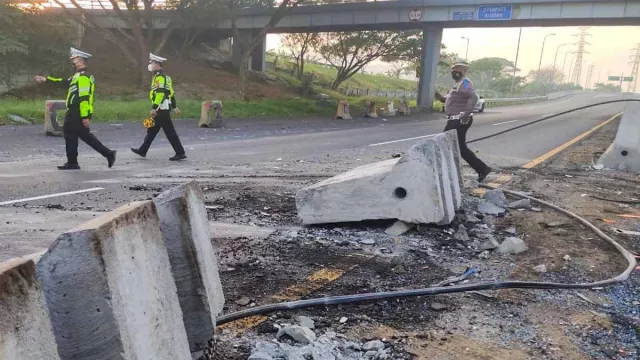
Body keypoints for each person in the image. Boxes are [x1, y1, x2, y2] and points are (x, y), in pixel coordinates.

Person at [35, 48, 116, 170]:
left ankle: (74, 162)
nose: (72, 61)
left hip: (77, 111)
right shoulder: (77, 76)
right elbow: (63, 82)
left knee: (71, 132)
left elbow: (84, 98)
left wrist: (85, 116)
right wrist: (47, 80)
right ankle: (107, 154)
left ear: (81, 61)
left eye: (75, 59)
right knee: (81, 135)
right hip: (75, 111)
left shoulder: (84, 77)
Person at [435, 60, 492, 182]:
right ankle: (482, 169)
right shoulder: (458, 84)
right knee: (457, 147)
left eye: (458, 69)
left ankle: (448, 172)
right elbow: (450, 100)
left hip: (459, 120)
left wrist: (466, 114)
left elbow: (473, 96)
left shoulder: (465, 83)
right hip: (454, 120)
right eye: (453, 69)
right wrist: (439, 96)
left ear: (464, 71)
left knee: (448, 144)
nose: (455, 71)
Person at [131, 53, 186, 161]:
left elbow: (160, 93)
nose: (151, 65)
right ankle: (142, 150)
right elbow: (171, 92)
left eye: (152, 63)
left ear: (157, 64)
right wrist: (174, 106)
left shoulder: (159, 78)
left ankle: (180, 153)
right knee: (152, 129)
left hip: (162, 108)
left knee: (170, 132)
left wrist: (154, 108)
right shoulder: (166, 77)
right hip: (164, 107)